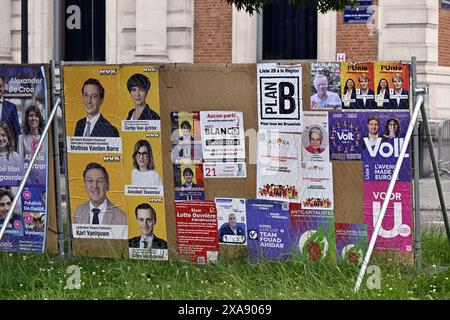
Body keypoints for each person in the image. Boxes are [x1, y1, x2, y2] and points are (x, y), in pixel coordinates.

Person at [18, 105, 45, 185]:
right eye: (31, 116)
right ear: (27, 119)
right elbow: (20, 162)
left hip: (44, 180)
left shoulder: (45, 138)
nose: (34, 118)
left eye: (36, 116)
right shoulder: (21, 138)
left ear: (39, 119)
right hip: (28, 182)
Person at [0, 75, 21, 151]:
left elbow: (16, 131)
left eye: (0, 86)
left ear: (4, 87)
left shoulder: (11, 107)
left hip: (7, 149)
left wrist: (16, 150)